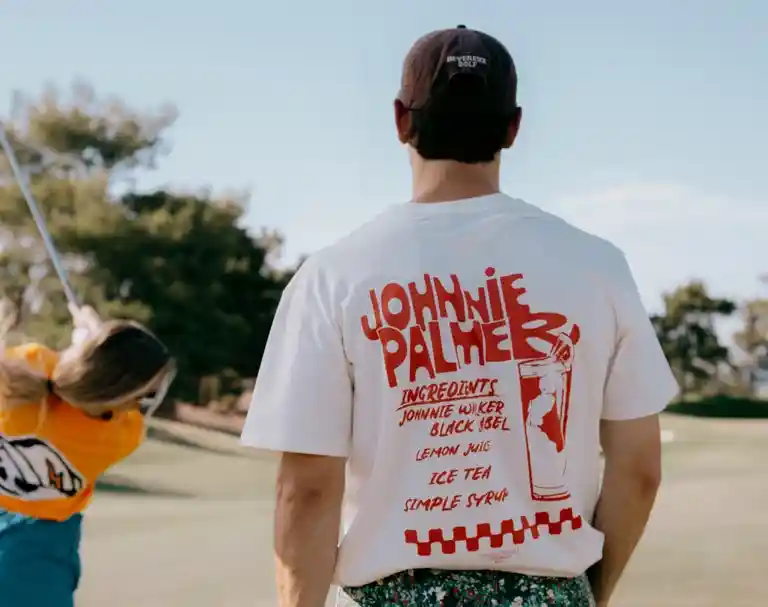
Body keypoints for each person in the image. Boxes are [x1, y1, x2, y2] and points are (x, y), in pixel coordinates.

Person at [241, 25, 678, 607]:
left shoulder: (332, 277)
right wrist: (584, 595)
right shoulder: (598, 267)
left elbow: (307, 493)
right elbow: (639, 468)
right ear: (513, 127)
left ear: (401, 120)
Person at [0, 305, 175, 607]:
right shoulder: (122, 437)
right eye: (146, 396)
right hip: (39, 550)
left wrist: (86, 344)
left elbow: (63, 380)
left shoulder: (29, 364)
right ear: (122, 396)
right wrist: (87, 333)